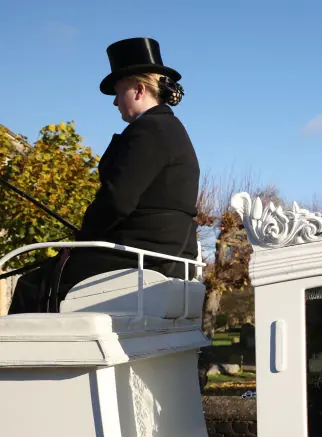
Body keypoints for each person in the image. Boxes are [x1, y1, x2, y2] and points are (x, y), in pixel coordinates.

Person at [8, 37, 199, 314]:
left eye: (118, 92)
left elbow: (117, 200)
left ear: (139, 90)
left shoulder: (150, 130)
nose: (115, 102)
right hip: (167, 251)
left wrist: (83, 239)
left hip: (143, 255)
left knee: (31, 284)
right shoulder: (169, 127)